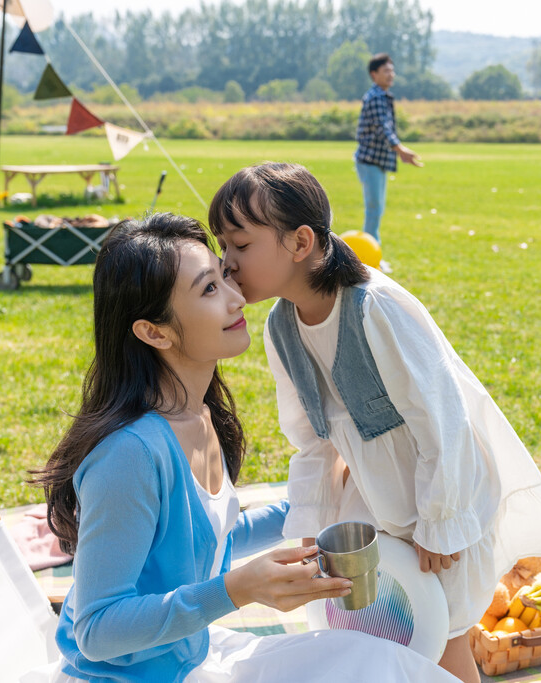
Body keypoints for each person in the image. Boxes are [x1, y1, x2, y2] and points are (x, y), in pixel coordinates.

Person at [28, 213, 459, 683]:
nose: (238, 298)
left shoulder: (199, 416)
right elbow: (97, 629)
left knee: (380, 660)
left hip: (189, 659)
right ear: (154, 331)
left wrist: (327, 500)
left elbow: (209, 538)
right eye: (208, 289)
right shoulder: (128, 454)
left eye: (223, 276)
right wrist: (237, 589)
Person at [209, 164, 541, 683]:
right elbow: (311, 438)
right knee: (380, 632)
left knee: (441, 635)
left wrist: (438, 523)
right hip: (374, 500)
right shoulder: (282, 325)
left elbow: (443, 422)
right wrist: (309, 526)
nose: (226, 264)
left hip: (438, 492)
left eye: (240, 246)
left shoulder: (375, 308)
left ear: (300, 241)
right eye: (222, 247)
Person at [354, 52, 422, 257]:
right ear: (374, 74)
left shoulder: (382, 96)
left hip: (378, 161)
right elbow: (384, 129)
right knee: (374, 209)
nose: (391, 74)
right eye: (386, 71)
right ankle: (369, 256)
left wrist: (398, 151)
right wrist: (401, 149)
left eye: (392, 70)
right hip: (370, 161)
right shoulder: (376, 98)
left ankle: (372, 253)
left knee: (377, 209)